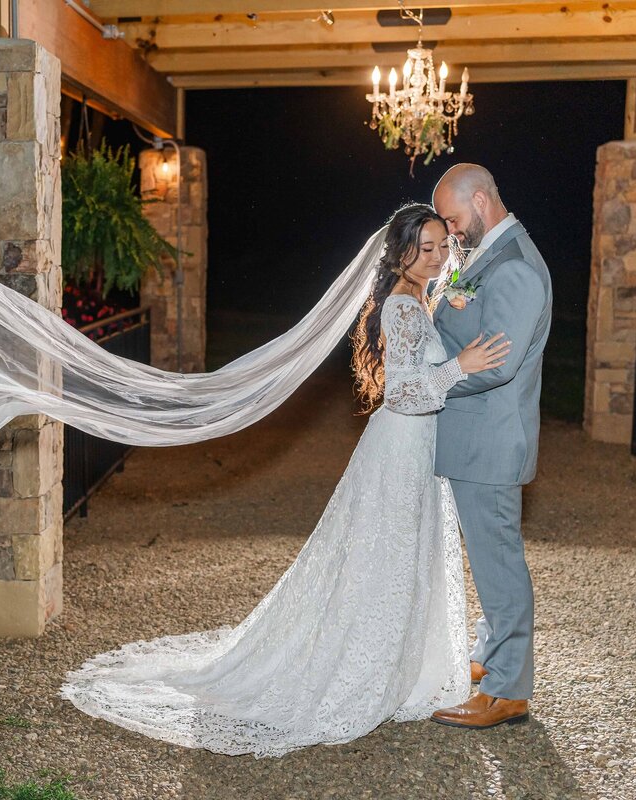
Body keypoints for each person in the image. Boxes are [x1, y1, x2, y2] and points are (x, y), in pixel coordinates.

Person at [58, 203, 511, 757]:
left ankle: (403, 664)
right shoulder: (400, 306)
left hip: (414, 448)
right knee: (382, 558)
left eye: (444, 247)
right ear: (402, 252)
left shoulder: (419, 297)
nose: (439, 257)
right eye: (427, 248)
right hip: (402, 444)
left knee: (395, 557)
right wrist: (459, 366)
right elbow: (403, 393)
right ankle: (366, 672)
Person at [429, 164, 553, 729]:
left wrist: (430, 375)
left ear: (481, 201)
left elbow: (494, 365)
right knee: (486, 557)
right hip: (472, 437)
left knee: (499, 563)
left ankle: (507, 691)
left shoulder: (518, 268)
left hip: (491, 440)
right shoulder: (484, 258)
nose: (452, 233)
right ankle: (489, 657)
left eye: (454, 221)